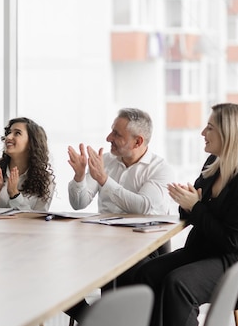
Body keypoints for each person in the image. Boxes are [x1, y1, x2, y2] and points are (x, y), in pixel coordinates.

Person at [135, 103, 238, 326]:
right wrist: (187, 203)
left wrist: (196, 206)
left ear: (229, 134)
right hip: (209, 250)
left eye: (209, 128)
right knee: (147, 273)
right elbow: (193, 214)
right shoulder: (213, 164)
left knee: (178, 284)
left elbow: (232, 240)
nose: (202, 133)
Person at [66, 108, 175, 323]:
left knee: (120, 268)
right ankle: (92, 318)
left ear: (137, 141)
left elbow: (142, 206)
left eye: (117, 134)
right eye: (111, 131)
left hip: (143, 248)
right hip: (103, 242)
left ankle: (105, 319)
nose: (109, 138)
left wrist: (105, 181)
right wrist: (79, 177)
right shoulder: (105, 161)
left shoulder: (160, 169)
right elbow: (79, 203)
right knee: (59, 267)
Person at [0, 117, 56, 211]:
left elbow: (39, 219)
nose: (8, 137)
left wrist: (14, 194)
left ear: (31, 143)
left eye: (17, 133)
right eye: (9, 132)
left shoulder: (45, 181)